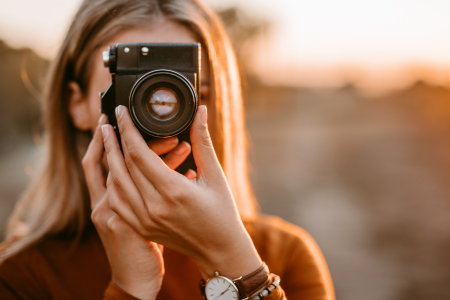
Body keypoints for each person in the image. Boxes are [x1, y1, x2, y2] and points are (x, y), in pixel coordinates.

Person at [0, 0, 335, 299]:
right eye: (134, 94)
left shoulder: (284, 255)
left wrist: (234, 263)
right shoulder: (20, 276)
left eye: (188, 95)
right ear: (78, 105)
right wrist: (130, 287)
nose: (164, 119)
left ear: (217, 105)